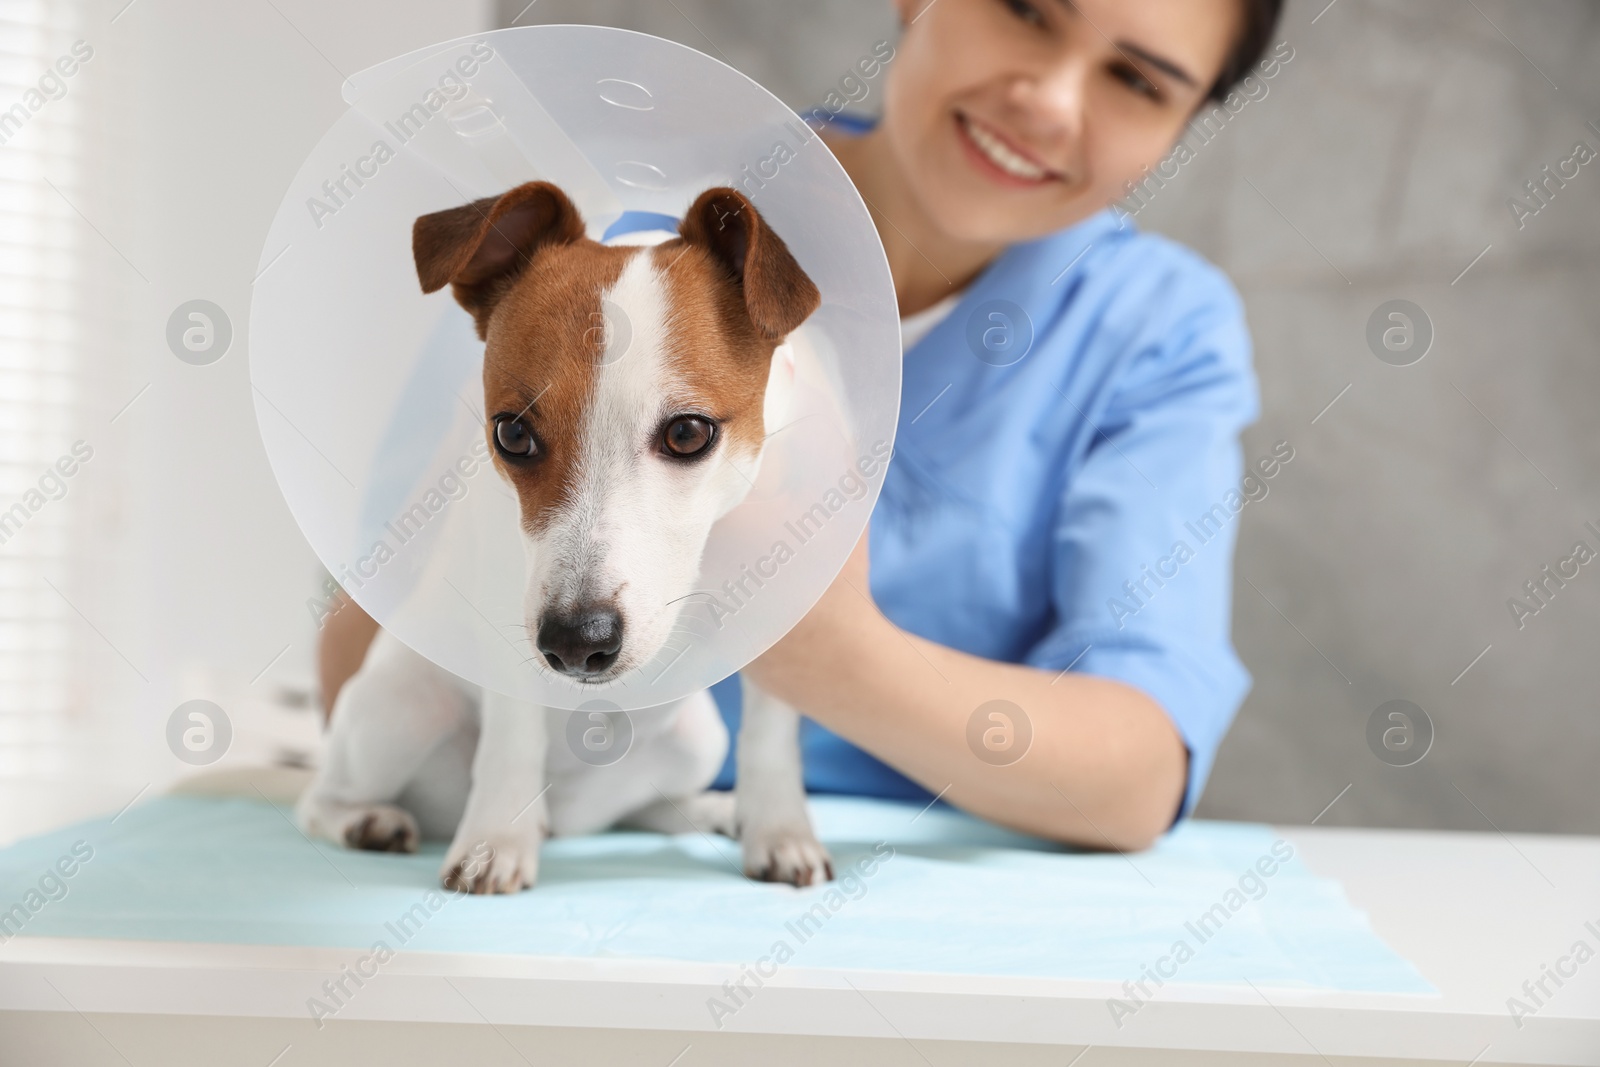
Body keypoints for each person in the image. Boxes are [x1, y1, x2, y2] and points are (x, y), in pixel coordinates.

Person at [319, 0, 1283, 853]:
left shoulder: (1156, 330)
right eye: (1026, 9)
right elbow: (359, 672)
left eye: (1136, 79)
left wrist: (827, 648)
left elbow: (1139, 777)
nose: (1048, 100)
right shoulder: (603, 250)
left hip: (910, 881)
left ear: (1182, 126)